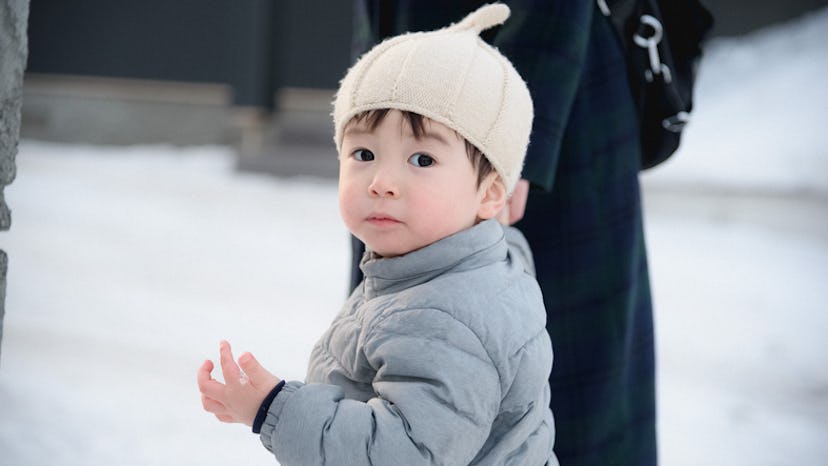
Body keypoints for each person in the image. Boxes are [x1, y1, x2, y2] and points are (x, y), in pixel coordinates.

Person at [197, 5, 558, 465]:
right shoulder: (448, 268)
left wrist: (274, 410)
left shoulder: (446, 316)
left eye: (422, 160)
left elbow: (403, 452)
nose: (381, 181)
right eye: (364, 152)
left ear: (489, 195)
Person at [349, 1, 658, 464]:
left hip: (537, 92)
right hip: (405, 79)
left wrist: (522, 145)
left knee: (559, 386)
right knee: (389, 343)